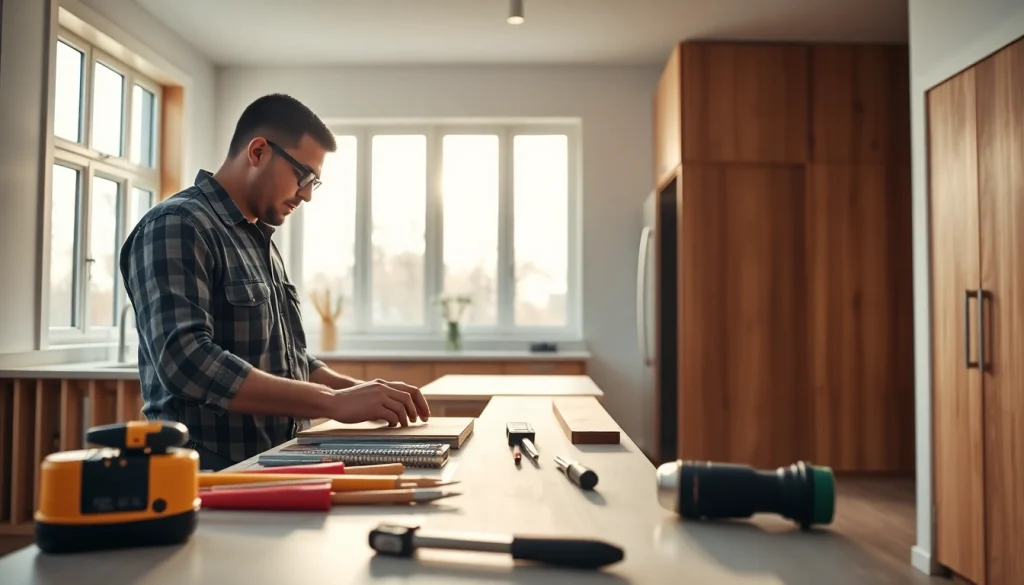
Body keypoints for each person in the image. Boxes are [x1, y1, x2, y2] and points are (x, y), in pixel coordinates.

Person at [119, 93, 429, 471]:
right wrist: (331, 402)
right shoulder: (177, 225)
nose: (307, 195)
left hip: (275, 463)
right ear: (258, 151)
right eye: (304, 176)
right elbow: (186, 361)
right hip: (208, 475)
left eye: (315, 182)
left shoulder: (258, 238)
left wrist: (358, 392)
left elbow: (287, 359)